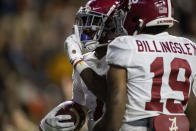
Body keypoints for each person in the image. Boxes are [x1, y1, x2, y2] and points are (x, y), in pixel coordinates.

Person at [92, 0, 196, 131]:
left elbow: (115, 111)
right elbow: (191, 106)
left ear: (139, 15)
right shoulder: (189, 47)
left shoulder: (125, 45)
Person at [39, 0, 127, 130]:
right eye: (85, 21)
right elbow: (83, 110)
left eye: (93, 21)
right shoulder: (87, 59)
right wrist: (56, 122)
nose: (85, 28)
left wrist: (77, 61)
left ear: (112, 25)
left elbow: (111, 98)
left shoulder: (125, 58)